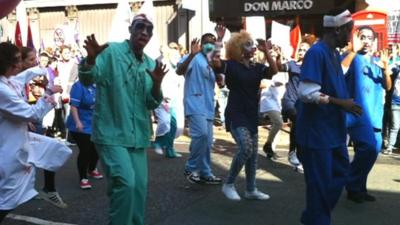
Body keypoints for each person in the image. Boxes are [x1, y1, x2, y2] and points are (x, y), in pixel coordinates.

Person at [78, 14, 166, 225]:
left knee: (138, 189)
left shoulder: (150, 63)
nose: (144, 32)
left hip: (137, 137)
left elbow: (151, 103)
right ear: (131, 29)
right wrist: (90, 59)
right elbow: (88, 78)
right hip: (111, 133)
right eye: (139, 26)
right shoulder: (111, 52)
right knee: (125, 184)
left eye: (149, 29)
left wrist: (156, 83)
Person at [296, 10, 362, 225]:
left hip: (333, 132)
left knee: (340, 173)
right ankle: (317, 219)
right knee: (319, 184)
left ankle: (312, 217)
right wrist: (341, 103)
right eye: (349, 31)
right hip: (316, 134)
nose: (350, 36)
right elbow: (306, 93)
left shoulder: (333, 53)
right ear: (337, 29)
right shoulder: (317, 53)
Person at [0, 42, 70, 222]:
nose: (19, 64)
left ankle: (49, 188)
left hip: (18, 139)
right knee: (7, 198)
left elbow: (22, 77)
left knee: (55, 150)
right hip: (8, 147)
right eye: (16, 61)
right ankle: (48, 189)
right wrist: (48, 93)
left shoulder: (7, 80)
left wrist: (41, 70)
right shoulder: (1, 89)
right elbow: (32, 114)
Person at [212, 30, 278, 201]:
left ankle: (251, 189)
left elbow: (274, 71)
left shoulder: (257, 67)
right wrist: (219, 39)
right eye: (247, 44)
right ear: (238, 49)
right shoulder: (232, 65)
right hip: (236, 113)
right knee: (246, 148)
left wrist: (267, 51)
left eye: (251, 43)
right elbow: (215, 61)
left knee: (253, 155)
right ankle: (229, 184)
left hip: (251, 114)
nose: (252, 47)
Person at [342, 26, 392, 203]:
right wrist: (352, 52)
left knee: (372, 151)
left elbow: (387, 86)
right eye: (362, 37)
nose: (366, 40)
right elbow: (341, 70)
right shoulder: (351, 57)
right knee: (368, 148)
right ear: (356, 38)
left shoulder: (378, 61)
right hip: (357, 114)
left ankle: (359, 188)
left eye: (370, 38)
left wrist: (386, 69)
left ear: (374, 41)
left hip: (375, 114)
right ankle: (350, 182)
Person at [21, 47, 68, 209]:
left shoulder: (37, 75)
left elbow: (37, 97)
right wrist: (24, 119)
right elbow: (14, 105)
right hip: (16, 129)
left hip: (32, 121)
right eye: (31, 59)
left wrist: (48, 97)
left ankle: (48, 189)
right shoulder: (11, 81)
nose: (36, 62)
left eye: (36, 58)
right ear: (19, 62)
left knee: (49, 150)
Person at [176, 34, 223, 185]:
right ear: (201, 44)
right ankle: (190, 168)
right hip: (194, 103)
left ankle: (205, 172)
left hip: (208, 105)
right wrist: (191, 54)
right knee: (201, 135)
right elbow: (179, 70)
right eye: (206, 43)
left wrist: (219, 77)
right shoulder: (194, 57)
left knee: (208, 141)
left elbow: (220, 76)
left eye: (212, 43)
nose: (209, 45)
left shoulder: (211, 61)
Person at [66, 80, 103, 189]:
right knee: (85, 150)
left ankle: (91, 169)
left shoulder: (100, 85)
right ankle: (83, 177)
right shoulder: (79, 86)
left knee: (96, 148)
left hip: (95, 122)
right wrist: (77, 122)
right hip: (80, 123)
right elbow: (74, 106)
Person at [280, 41, 311, 171]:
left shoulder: (311, 67)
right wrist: (276, 57)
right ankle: (292, 152)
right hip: (289, 101)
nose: (301, 52)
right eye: (300, 49)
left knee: (303, 128)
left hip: (303, 103)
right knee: (297, 120)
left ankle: (300, 158)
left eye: (304, 50)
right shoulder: (292, 65)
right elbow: (279, 67)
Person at [152, 44, 184, 158]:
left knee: (175, 126)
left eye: (178, 55)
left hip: (175, 100)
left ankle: (170, 149)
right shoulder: (163, 64)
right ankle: (158, 143)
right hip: (164, 99)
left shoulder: (178, 69)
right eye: (174, 55)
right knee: (165, 122)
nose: (177, 58)